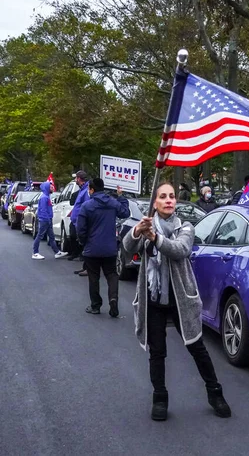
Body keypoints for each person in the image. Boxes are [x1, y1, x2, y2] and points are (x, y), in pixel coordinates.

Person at [122, 182, 231, 421]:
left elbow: (180, 249)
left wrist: (156, 238)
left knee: (196, 346)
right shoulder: (147, 225)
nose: (169, 200)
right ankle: (159, 398)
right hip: (153, 298)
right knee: (157, 351)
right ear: (155, 203)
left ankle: (215, 393)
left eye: (172, 196)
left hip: (180, 298)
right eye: (163, 196)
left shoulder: (186, 227)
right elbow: (127, 248)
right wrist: (137, 231)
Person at [77, 179, 130, 317]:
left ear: (92, 190)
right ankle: (113, 299)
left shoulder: (87, 206)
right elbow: (125, 212)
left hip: (92, 248)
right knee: (112, 275)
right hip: (110, 248)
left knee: (93, 277)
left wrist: (84, 242)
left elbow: (80, 228)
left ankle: (95, 306)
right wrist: (120, 196)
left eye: (89, 189)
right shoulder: (112, 203)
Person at [32, 181, 69, 260]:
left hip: (47, 219)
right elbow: (43, 210)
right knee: (39, 236)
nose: (53, 188)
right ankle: (35, 253)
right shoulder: (44, 198)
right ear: (47, 188)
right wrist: (47, 219)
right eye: (51, 187)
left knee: (51, 237)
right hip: (45, 220)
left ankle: (57, 252)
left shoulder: (46, 196)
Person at [70, 171, 90, 275]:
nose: (75, 180)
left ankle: (88, 268)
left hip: (82, 222)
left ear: (79, 179)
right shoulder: (82, 189)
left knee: (86, 245)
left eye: (76, 178)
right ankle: (85, 267)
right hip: (78, 222)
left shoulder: (86, 190)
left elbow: (86, 206)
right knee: (83, 245)